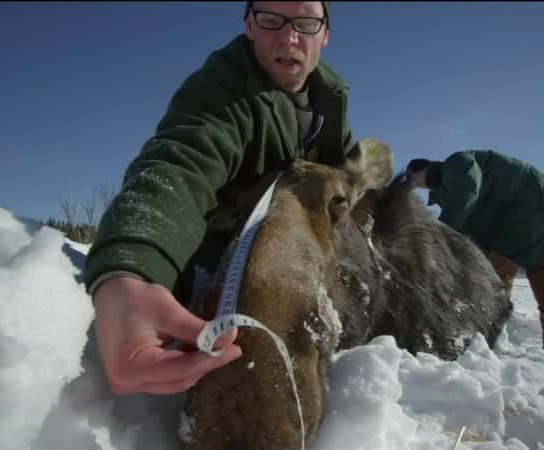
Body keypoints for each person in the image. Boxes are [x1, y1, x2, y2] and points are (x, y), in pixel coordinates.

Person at [84, 1, 357, 396]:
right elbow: (181, 165)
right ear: (249, 25)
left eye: (305, 21)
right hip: (227, 250)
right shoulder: (220, 88)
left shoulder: (330, 100)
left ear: (325, 32)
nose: (288, 36)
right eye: (270, 19)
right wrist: (130, 271)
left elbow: (347, 173)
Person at [405, 151, 544, 356]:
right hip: (508, 230)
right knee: (492, 284)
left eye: (414, 177)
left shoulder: (457, 163)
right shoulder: (447, 193)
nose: (415, 184)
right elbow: (470, 230)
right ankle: (484, 345)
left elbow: (467, 191)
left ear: (425, 168)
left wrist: (438, 238)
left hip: (536, 211)